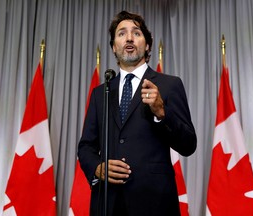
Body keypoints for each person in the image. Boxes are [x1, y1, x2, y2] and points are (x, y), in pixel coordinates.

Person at [78, 10, 197, 216]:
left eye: (137, 33)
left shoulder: (169, 85)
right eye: (122, 33)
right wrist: (98, 167)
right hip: (107, 202)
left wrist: (162, 113)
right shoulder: (101, 92)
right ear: (114, 47)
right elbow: (86, 146)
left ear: (147, 44)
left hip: (154, 202)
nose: (130, 37)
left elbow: (188, 144)